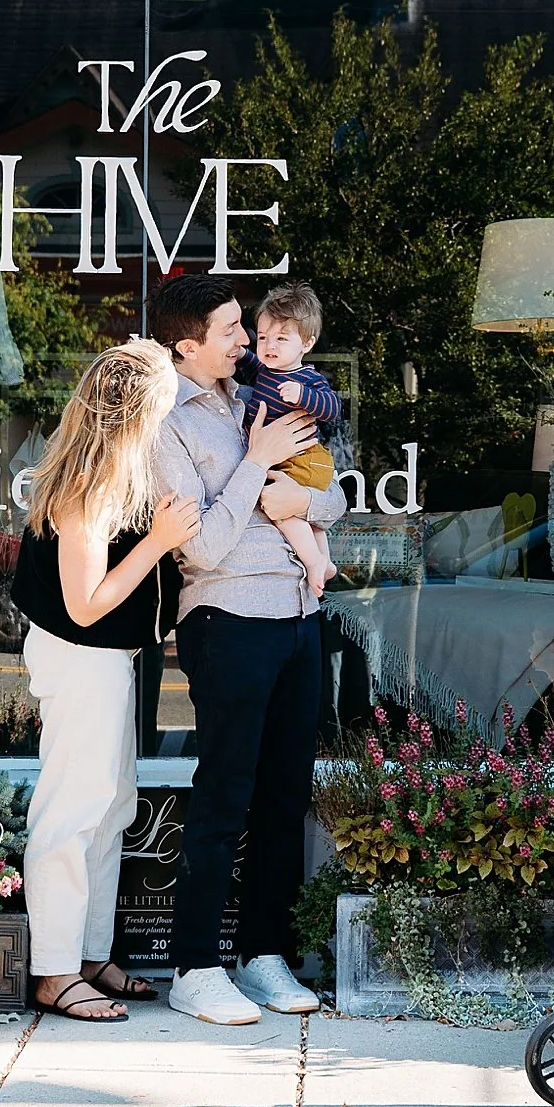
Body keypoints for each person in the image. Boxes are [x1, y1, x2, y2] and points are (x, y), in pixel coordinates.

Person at [150, 271, 347, 1026]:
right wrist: (256, 462)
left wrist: (304, 499)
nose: (245, 339)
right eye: (231, 329)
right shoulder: (167, 423)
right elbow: (197, 549)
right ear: (186, 343)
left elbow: (332, 492)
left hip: (298, 612)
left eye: (245, 327)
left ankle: (262, 956)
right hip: (228, 616)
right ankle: (194, 965)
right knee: (224, 796)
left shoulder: (263, 393)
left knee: (284, 797)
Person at [11, 338, 201, 1021]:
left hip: (106, 660)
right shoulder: (88, 489)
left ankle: (89, 957)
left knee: (111, 806)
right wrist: (158, 540)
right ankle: (56, 972)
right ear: (138, 413)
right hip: (80, 655)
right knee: (71, 813)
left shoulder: (111, 476)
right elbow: (84, 603)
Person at [233, 279, 342, 598]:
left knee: (284, 512)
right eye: (264, 337)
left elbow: (333, 408)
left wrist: (304, 396)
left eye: (281, 338)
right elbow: (252, 366)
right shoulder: (266, 370)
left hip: (303, 460)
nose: (269, 346)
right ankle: (325, 560)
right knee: (314, 521)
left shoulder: (307, 378)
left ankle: (312, 564)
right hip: (294, 460)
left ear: (307, 343)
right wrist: (241, 353)